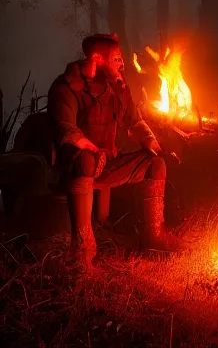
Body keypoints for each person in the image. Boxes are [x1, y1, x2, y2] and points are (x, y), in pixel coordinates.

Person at [47, 33, 190, 270]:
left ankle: (154, 238)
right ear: (97, 59)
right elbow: (66, 131)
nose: (122, 64)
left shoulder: (117, 88)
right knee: (85, 160)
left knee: (155, 164)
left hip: (107, 164)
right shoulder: (67, 86)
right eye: (116, 59)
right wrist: (94, 149)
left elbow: (134, 120)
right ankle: (82, 250)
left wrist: (150, 141)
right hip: (71, 168)